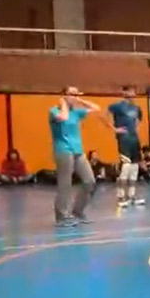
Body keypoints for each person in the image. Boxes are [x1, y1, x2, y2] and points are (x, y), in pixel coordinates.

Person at [49, 87, 100, 227]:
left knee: (89, 181)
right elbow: (63, 117)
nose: (74, 96)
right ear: (63, 95)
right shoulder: (54, 111)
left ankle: (77, 211)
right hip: (63, 150)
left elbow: (96, 108)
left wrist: (80, 100)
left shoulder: (76, 112)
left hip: (78, 150)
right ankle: (62, 216)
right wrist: (64, 104)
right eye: (71, 94)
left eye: (76, 94)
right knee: (65, 183)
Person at [107, 85, 145, 207]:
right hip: (124, 139)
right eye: (129, 90)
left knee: (134, 169)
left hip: (134, 140)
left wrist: (135, 129)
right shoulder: (117, 106)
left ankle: (132, 196)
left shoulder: (136, 108)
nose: (132, 93)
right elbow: (103, 115)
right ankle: (121, 196)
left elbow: (139, 120)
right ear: (124, 92)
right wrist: (115, 129)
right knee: (126, 167)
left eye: (134, 90)